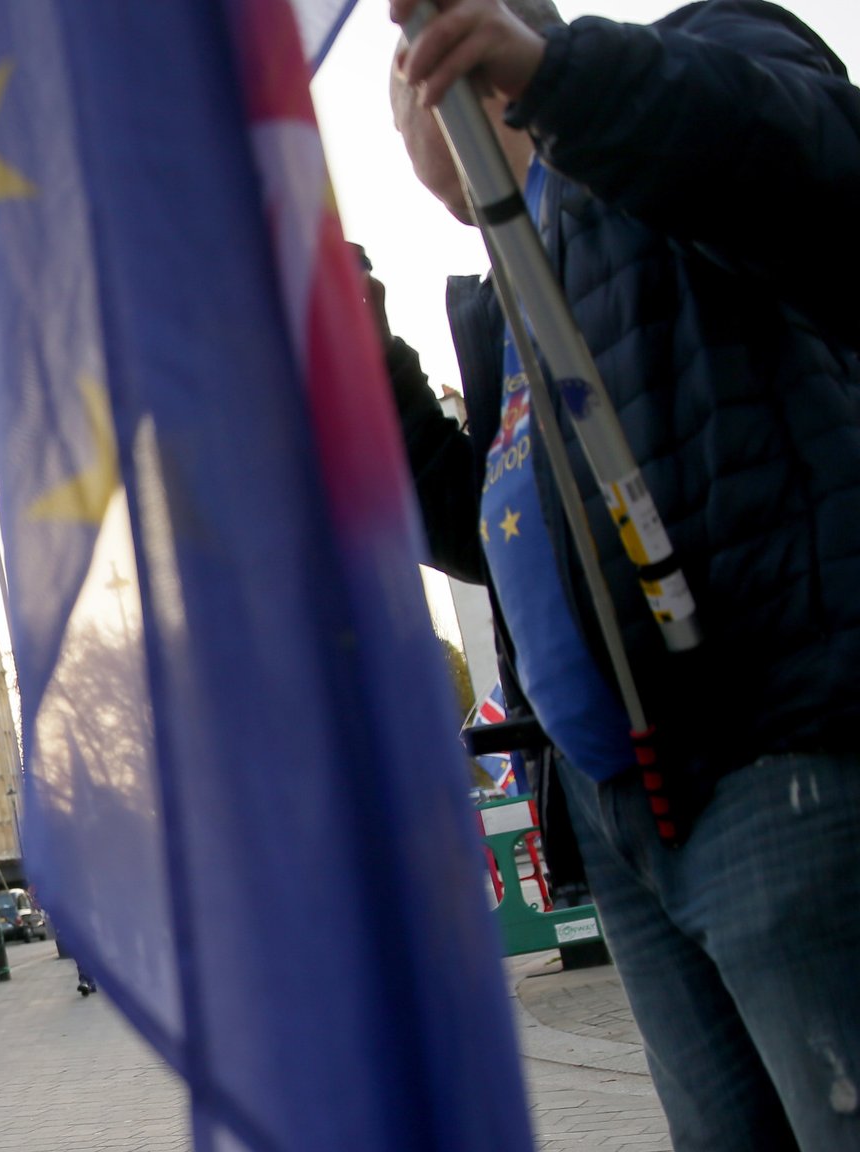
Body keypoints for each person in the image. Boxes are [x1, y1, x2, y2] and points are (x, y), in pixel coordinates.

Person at [379, 0, 860, 1146]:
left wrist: (559, 79)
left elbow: (809, 164)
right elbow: (479, 530)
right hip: (627, 814)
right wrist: (365, 359)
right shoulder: (509, 284)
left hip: (765, 747)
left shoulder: (690, 81)